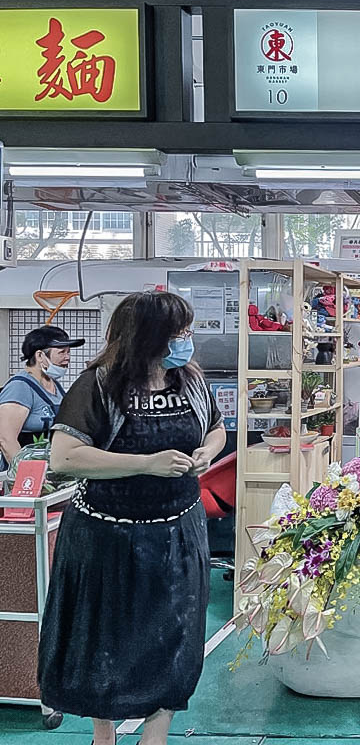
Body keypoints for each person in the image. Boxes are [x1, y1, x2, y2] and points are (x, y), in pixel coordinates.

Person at [38, 292, 226, 745]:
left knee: (174, 635)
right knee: (107, 637)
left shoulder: (191, 380)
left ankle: (155, 734)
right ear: (148, 337)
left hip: (178, 533)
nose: (186, 340)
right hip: (106, 537)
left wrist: (207, 452)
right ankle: (104, 734)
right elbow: (65, 457)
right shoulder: (98, 385)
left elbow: (216, 427)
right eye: (178, 333)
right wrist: (145, 463)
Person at [0, 326, 84, 468]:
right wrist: (28, 476)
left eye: (69, 352)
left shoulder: (54, 385)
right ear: (40, 356)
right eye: (62, 352)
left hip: (49, 469)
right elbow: (6, 440)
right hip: (26, 476)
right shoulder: (20, 388)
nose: (67, 357)